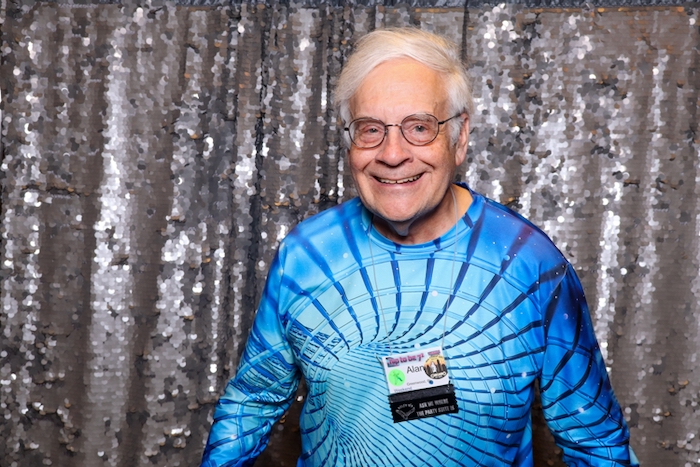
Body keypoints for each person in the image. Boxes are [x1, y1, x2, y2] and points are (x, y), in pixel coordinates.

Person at [201, 27, 639, 467]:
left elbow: (596, 442)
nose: (393, 154)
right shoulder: (307, 257)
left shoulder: (529, 263)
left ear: (459, 137)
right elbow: (250, 404)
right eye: (370, 129)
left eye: (419, 127)